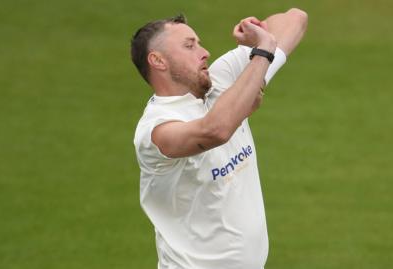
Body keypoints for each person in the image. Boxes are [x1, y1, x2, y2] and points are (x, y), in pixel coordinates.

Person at [131, 8, 307, 269]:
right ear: (158, 61)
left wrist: (255, 31)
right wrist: (262, 52)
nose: (204, 52)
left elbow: (295, 19)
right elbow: (215, 130)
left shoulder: (221, 81)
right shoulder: (156, 128)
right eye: (189, 46)